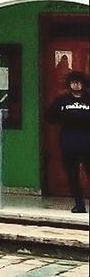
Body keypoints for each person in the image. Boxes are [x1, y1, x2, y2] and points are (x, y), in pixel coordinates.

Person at [47, 72, 90, 214]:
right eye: (73, 82)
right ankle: (79, 204)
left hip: (87, 143)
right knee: (72, 176)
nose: (76, 85)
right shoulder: (62, 100)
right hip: (69, 143)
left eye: (78, 82)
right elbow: (49, 116)